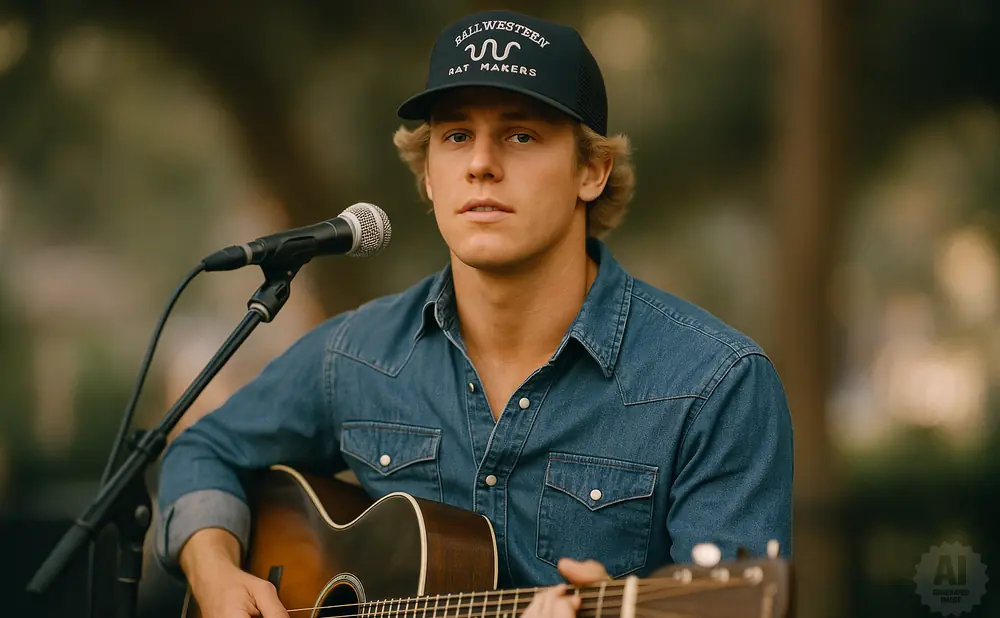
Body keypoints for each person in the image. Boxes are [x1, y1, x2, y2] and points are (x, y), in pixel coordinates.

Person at [154, 9, 794, 618]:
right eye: (457, 136)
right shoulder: (359, 354)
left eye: (521, 135)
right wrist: (213, 571)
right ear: (430, 175)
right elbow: (203, 449)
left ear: (592, 170)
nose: (482, 164)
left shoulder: (716, 384)